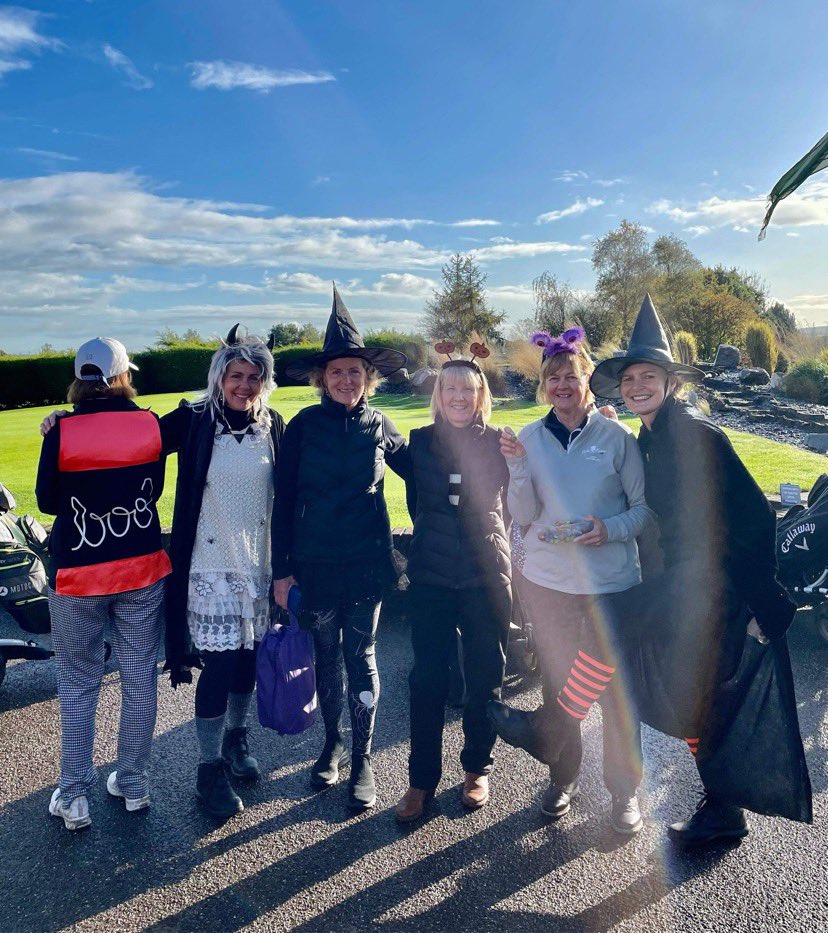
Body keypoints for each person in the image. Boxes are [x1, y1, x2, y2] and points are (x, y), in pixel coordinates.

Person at [493, 295, 811, 846]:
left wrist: (765, 598)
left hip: (711, 586)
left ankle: (553, 729)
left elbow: (753, 516)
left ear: (670, 381)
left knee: (617, 631)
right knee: (692, 694)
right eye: (631, 378)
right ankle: (724, 811)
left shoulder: (693, 433)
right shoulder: (654, 435)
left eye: (649, 376)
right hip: (686, 582)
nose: (638, 385)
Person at [495, 326, 653, 833]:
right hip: (548, 583)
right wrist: (517, 468)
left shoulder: (617, 438)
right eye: (553, 378)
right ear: (544, 385)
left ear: (589, 380)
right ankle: (562, 778)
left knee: (615, 693)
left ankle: (624, 791)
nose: (562, 385)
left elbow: (644, 511)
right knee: (558, 684)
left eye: (572, 376)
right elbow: (523, 515)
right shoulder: (528, 438)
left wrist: (609, 528)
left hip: (611, 585)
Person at [272, 286, 410, 812]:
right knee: (326, 655)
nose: (346, 380)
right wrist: (282, 570)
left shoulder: (380, 424)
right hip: (315, 564)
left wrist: (484, 446)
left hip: (367, 563)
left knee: (363, 654)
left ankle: (363, 758)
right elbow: (283, 502)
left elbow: (422, 467)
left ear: (368, 377)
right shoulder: (302, 428)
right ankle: (331, 743)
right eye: (337, 372)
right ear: (322, 378)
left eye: (355, 371)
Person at [36, 338, 171, 830]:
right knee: (138, 675)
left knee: (78, 681)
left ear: (79, 378)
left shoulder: (61, 429)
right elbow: (153, 490)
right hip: (140, 566)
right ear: (122, 376)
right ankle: (132, 781)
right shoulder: (149, 423)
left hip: (77, 572)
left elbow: (47, 501)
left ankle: (74, 794)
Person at [162, 326, 285, 819]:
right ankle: (208, 767)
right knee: (219, 666)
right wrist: (69, 422)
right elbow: (136, 438)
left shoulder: (273, 425)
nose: (245, 386)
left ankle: (236, 737)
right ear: (219, 378)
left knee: (248, 661)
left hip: (258, 564)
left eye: (254, 377)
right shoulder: (195, 420)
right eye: (237, 376)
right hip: (210, 567)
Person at [395, 347, 511, 823]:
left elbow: (521, 494)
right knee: (427, 679)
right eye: (450, 388)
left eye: (468, 388)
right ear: (438, 395)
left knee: (486, 675)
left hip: (487, 574)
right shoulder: (419, 443)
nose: (459, 395)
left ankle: (477, 769)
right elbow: (416, 503)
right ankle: (421, 780)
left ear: (481, 394)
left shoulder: (501, 442)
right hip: (432, 576)